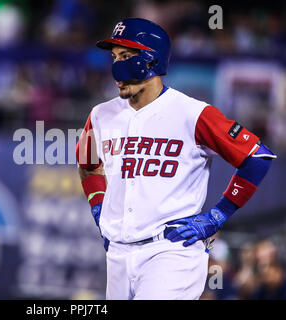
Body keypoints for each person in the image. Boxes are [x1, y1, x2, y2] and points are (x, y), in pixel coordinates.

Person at [75, 18, 276, 300]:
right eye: (114, 57)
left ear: (151, 61)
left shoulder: (192, 113)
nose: (116, 65)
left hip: (171, 251)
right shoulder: (101, 115)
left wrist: (217, 215)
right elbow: (88, 164)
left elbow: (257, 156)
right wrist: (98, 207)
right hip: (118, 254)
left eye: (126, 56)